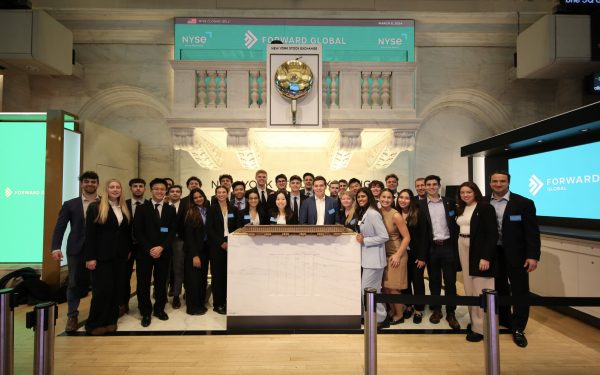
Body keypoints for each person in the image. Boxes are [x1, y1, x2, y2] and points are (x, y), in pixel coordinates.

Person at [488, 171, 540, 348]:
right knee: (499, 288)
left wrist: (532, 256)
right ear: (490, 183)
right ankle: (504, 320)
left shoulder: (524, 203)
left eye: (502, 181)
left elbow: (532, 232)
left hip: (517, 256)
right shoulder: (484, 203)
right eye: (495, 181)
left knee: (520, 291)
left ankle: (518, 328)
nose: (498, 184)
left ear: (508, 182)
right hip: (494, 254)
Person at [51, 170, 99, 332]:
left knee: (98, 282)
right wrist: (56, 247)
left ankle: (97, 314)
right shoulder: (70, 204)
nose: (90, 184)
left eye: (93, 182)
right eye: (87, 181)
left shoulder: (105, 202)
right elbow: (60, 227)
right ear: (82, 184)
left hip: (99, 250)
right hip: (76, 249)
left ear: (97, 184)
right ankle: (72, 315)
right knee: (74, 282)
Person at [84, 179, 131, 335]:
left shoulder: (123, 208)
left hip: (119, 257)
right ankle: (95, 323)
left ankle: (111, 320)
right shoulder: (95, 207)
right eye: (112, 187)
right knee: (101, 291)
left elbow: (125, 233)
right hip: (101, 256)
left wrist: (127, 250)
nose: (115, 189)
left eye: (118, 187)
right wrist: (90, 257)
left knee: (115, 290)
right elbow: (89, 235)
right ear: (106, 189)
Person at [455, 181, 498, 342]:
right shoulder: (461, 208)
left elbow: (492, 234)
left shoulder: (485, 208)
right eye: (462, 192)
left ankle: (482, 328)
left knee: (482, 287)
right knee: (469, 287)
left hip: (478, 250)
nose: (465, 195)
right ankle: (475, 323)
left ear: (475, 193)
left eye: (468, 192)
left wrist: (486, 257)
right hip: (463, 246)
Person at [417, 175, 460, 330]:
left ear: (439, 185)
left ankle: (451, 312)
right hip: (431, 248)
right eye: (428, 184)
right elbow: (421, 232)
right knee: (434, 282)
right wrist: (422, 254)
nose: (431, 187)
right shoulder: (420, 205)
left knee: (450, 282)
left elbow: (457, 224)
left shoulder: (450, 202)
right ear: (425, 187)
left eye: (434, 184)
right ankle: (436, 310)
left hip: (448, 247)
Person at [133, 178, 177, 327]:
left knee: (161, 282)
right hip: (145, 253)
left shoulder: (170, 209)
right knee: (143, 283)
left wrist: (161, 247)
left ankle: (159, 309)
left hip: (163, 252)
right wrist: (150, 248)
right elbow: (138, 231)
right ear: (151, 191)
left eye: (162, 189)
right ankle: (145, 312)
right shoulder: (141, 208)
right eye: (156, 189)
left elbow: (172, 231)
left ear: (166, 191)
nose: (159, 191)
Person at [355, 188, 390, 328]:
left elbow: (384, 236)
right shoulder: (365, 212)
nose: (360, 199)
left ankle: (381, 319)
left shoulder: (373, 214)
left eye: (363, 196)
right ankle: (371, 316)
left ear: (369, 197)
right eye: (358, 197)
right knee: (370, 290)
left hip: (375, 260)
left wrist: (365, 240)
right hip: (368, 259)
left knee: (370, 290)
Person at [206, 185, 239, 315]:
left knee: (228, 275)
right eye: (218, 192)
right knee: (218, 276)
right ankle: (218, 304)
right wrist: (221, 243)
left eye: (223, 192)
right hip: (216, 246)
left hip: (231, 246)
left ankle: (227, 301)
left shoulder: (234, 209)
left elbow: (237, 227)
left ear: (228, 193)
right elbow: (209, 228)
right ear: (215, 194)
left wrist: (230, 242)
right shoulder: (211, 209)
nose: (221, 194)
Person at [379, 189, 411, 325]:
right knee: (386, 287)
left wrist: (398, 255)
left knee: (393, 288)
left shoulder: (396, 215)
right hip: (383, 255)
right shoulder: (378, 212)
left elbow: (407, 237)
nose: (386, 200)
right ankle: (392, 311)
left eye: (389, 198)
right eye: (383, 197)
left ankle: (399, 315)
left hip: (396, 254)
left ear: (393, 200)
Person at [396, 189, 427, 324]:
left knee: (418, 281)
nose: (403, 200)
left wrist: (422, 257)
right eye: (401, 197)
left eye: (406, 198)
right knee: (405, 281)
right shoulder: (396, 213)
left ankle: (419, 309)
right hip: (402, 254)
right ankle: (408, 305)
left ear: (411, 200)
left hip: (416, 254)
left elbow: (424, 236)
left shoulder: (418, 214)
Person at [121, 177, 147, 316]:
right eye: (135, 186)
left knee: (143, 278)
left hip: (144, 247)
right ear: (130, 188)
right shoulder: (123, 205)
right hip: (127, 247)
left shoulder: (149, 205)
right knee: (124, 276)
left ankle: (143, 305)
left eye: (141, 186)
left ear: (144, 188)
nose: (138, 188)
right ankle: (123, 303)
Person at [183, 188, 210, 315]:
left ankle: (199, 304)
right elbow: (188, 236)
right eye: (195, 197)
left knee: (201, 279)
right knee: (193, 280)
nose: (198, 199)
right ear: (192, 200)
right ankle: (192, 308)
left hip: (205, 249)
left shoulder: (206, 210)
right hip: (194, 251)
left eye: (200, 196)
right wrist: (194, 255)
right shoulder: (190, 213)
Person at [167, 184, 184, 309]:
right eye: (172, 191)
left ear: (181, 194)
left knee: (178, 269)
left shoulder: (186, 207)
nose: (175, 193)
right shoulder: (163, 206)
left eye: (177, 191)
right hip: (164, 242)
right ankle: (161, 295)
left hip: (179, 241)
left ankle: (176, 295)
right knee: (164, 270)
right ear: (168, 193)